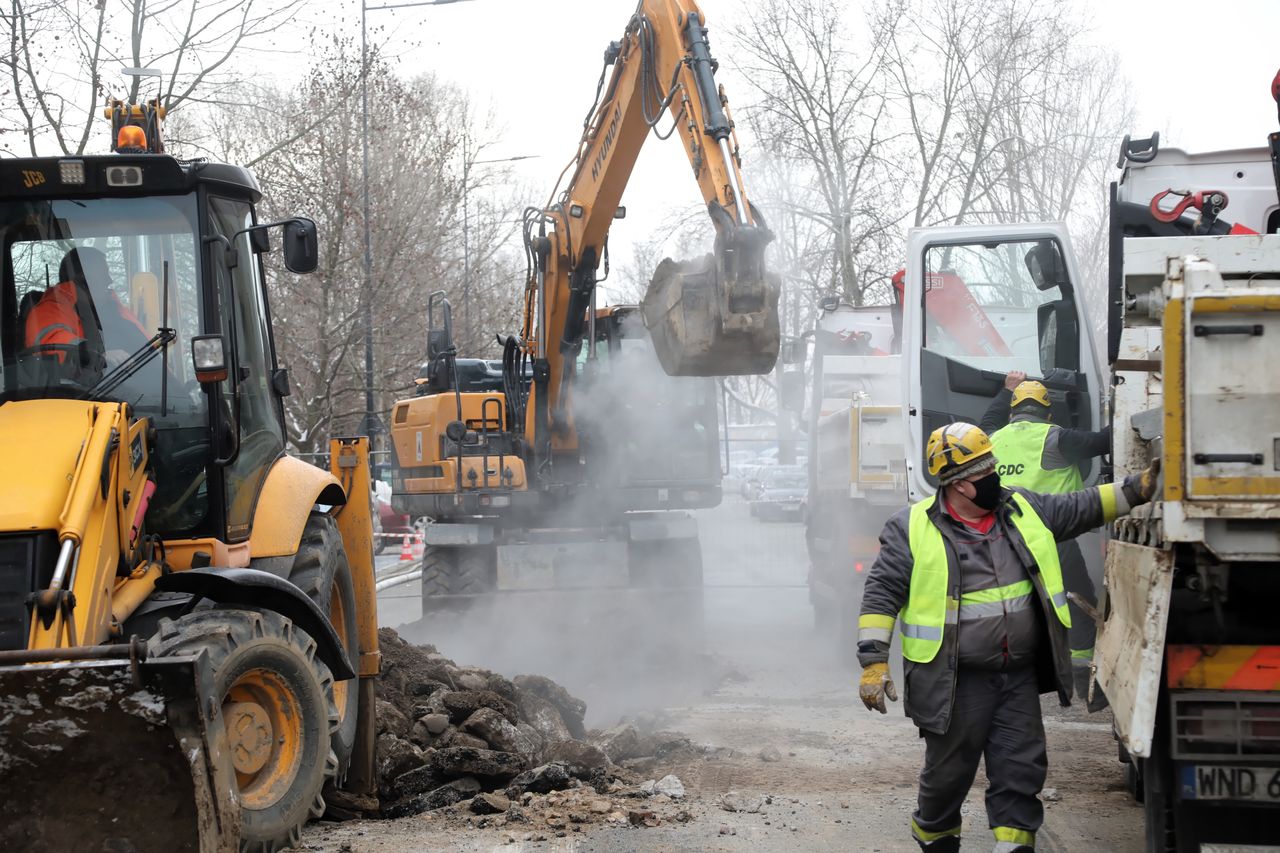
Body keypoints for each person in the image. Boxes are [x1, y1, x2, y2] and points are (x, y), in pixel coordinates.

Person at [856, 422, 1158, 853]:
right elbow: (881, 593)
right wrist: (873, 660)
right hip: (954, 681)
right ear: (959, 486)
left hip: (1015, 677)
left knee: (1021, 772)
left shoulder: (1022, 508)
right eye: (984, 474)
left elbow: (1083, 505)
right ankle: (936, 839)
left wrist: (1138, 488)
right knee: (947, 778)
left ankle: (1014, 846)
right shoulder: (911, 528)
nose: (996, 478)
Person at [987, 377, 1111, 704]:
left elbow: (986, 421)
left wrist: (1004, 391)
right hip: (1052, 539)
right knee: (1077, 599)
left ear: (1013, 412)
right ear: (1048, 413)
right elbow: (1103, 442)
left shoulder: (990, 439)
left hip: (1002, 539)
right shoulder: (1056, 438)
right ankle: (1082, 674)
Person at [24, 246, 150, 375]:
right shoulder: (51, 309)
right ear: (83, 280)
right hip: (80, 393)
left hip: (149, 389)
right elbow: (53, 343)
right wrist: (99, 355)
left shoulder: (113, 310)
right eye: (103, 274)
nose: (109, 280)